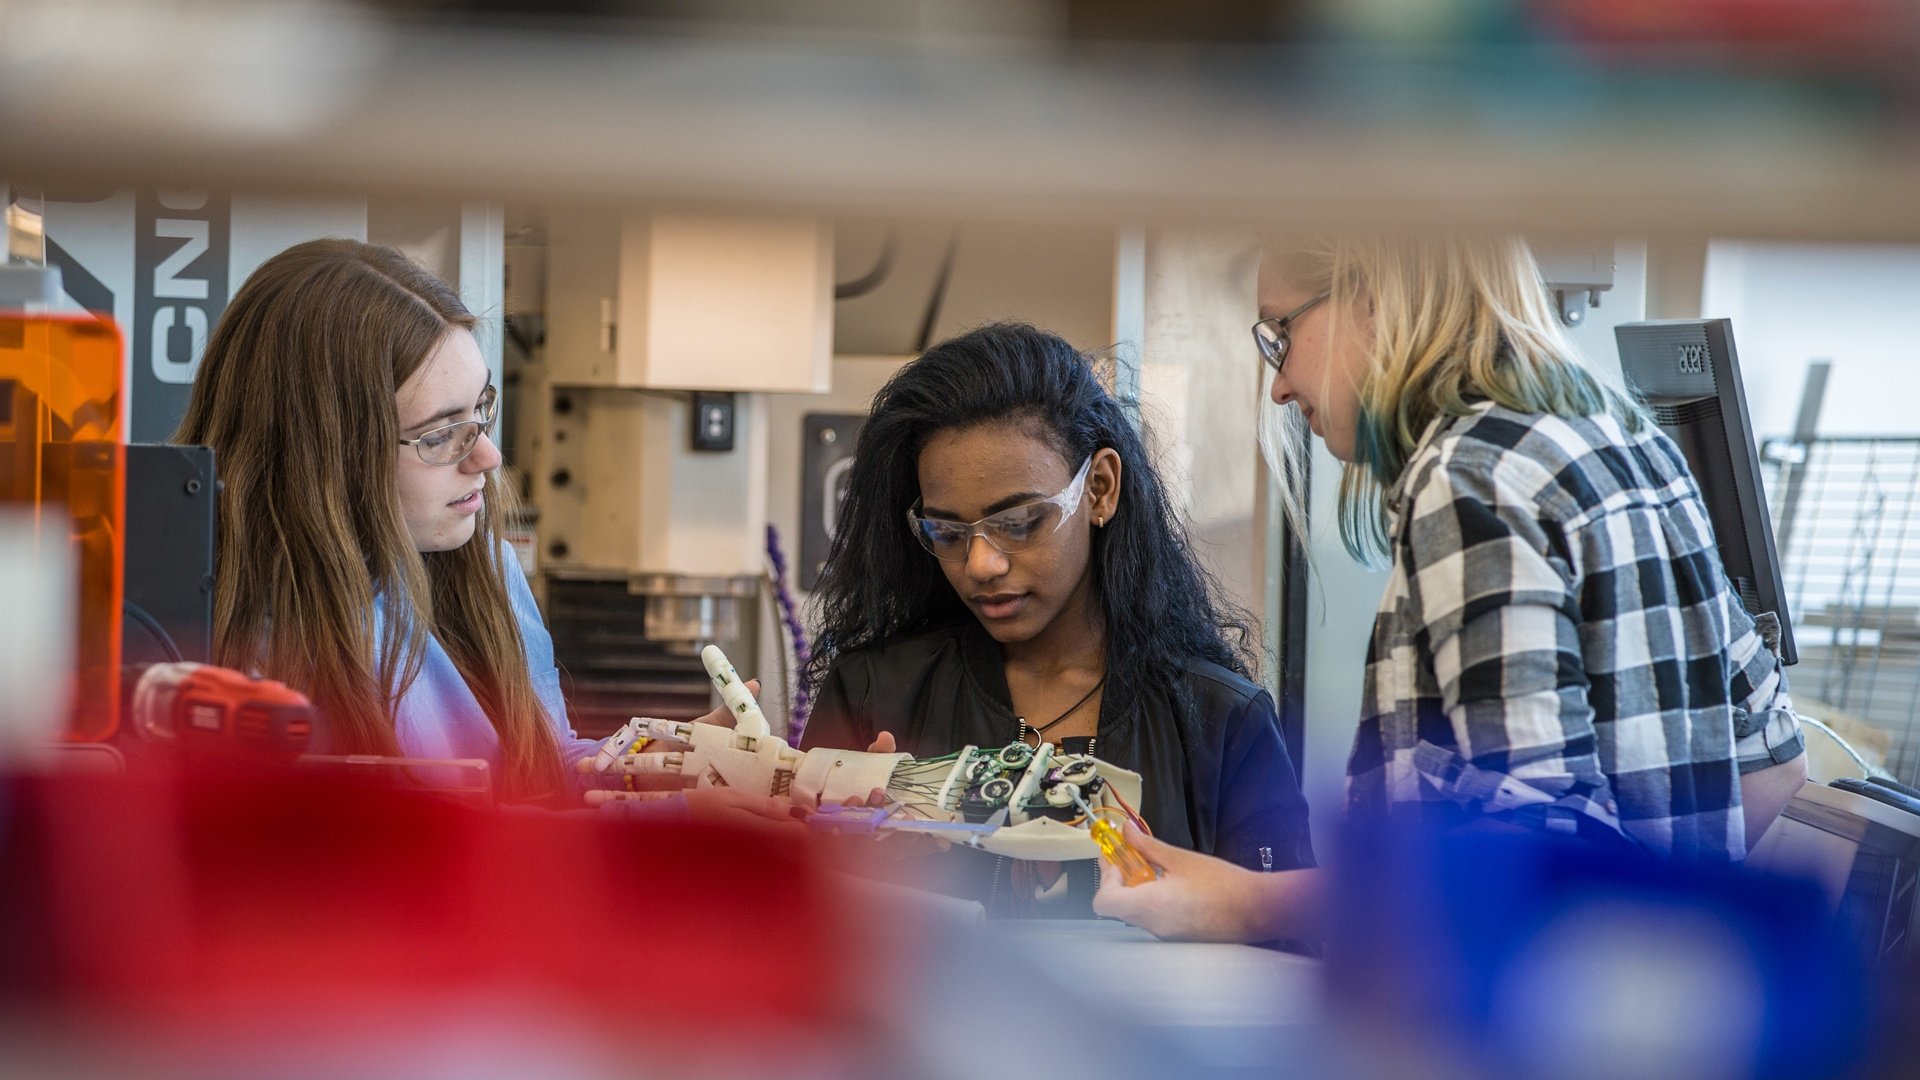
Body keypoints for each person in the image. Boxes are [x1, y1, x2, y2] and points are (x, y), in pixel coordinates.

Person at [1093, 235, 1809, 943]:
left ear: (1374, 297)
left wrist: (1241, 903)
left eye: (1281, 332)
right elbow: (1773, 764)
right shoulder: (1633, 443)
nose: (1277, 383)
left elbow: (1520, 871)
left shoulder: (1468, 481)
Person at [174, 238, 784, 823]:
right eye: (440, 434)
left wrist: (660, 766)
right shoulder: (225, 646)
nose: (487, 456)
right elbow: (388, 859)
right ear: (322, 456)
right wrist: (652, 825)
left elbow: (539, 767)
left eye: (481, 411)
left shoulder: (481, 564)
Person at [800, 322, 1314, 916]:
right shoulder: (872, 695)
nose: (981, 564)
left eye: (1019, 522)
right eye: (947, 532)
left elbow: (1290, 950)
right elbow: (798, 935)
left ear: (1099, 489)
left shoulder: (1219, 721)